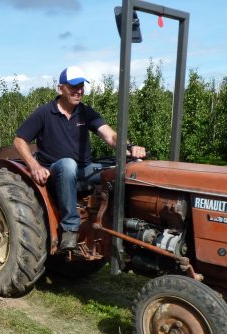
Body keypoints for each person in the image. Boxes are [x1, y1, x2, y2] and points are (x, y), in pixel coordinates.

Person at [13, 65, 146, 251]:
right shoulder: (44, 113)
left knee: (127, 169)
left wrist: (130, 148)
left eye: (82, 86)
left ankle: (124, 227)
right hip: (54, 170)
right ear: (61, 88)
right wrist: (34, 165)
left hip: (85, 169)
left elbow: (110, 136)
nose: (79, 91)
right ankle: (70, 229)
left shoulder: (85, 112)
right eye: (74, 86)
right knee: (68, 164)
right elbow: (19, 141)